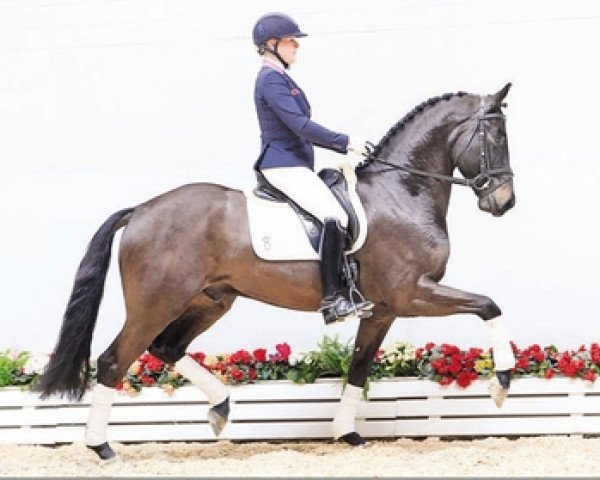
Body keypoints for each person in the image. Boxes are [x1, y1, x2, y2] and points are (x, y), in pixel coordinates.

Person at [251, 12, 374, 325]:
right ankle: (333, 298)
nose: (296, 46)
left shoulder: (281, 78)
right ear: (271, 44)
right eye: (291, 41)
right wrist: (345, 142)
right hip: (281, 164)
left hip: (295, 164)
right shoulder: (270, 80)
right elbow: (300, 126)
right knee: (335, 215)